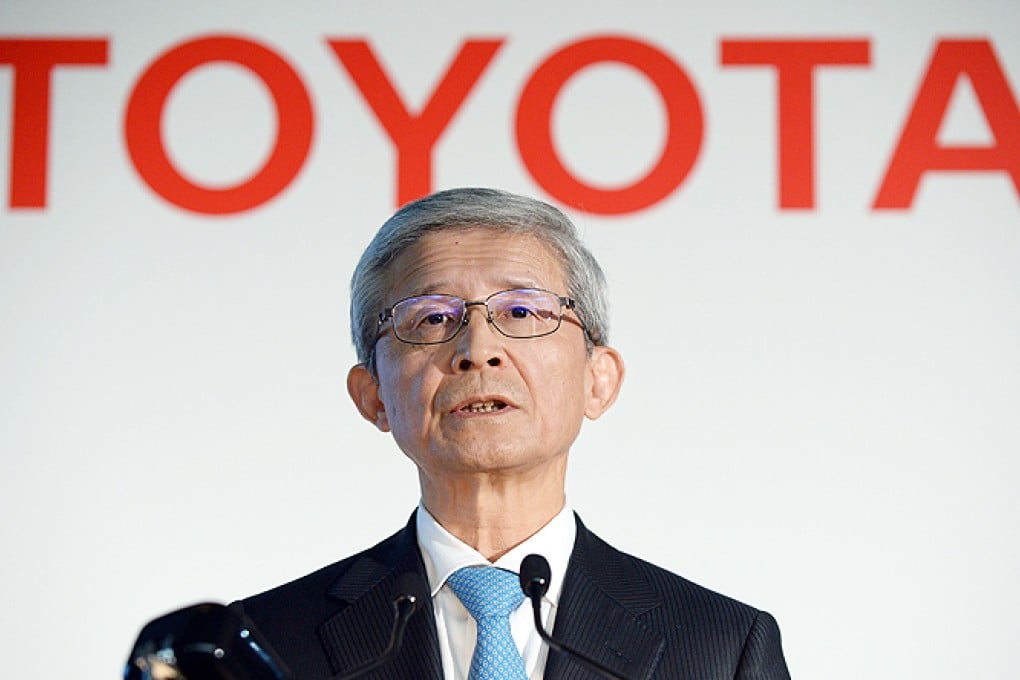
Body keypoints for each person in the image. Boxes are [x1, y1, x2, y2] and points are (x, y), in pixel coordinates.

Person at [232, 188, 791, 679]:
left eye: (522, 311)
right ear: (372, 395)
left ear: (598, 380)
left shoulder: (721, 649)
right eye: (431, 318)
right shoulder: (262, 645)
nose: (478, 351)